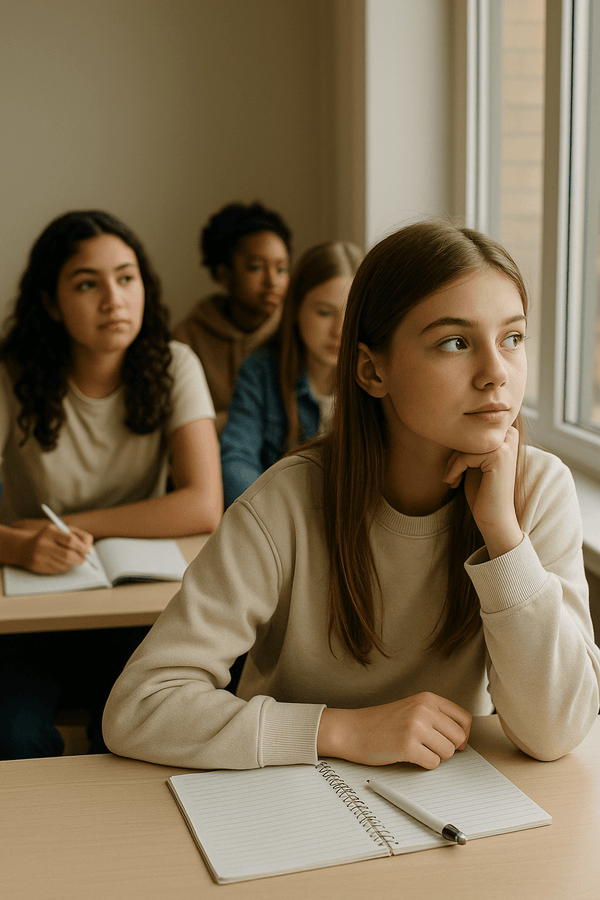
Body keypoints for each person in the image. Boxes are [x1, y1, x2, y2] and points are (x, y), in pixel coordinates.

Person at [103, 219, 600, 772]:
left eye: (513, 338)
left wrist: (503, 538)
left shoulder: (539, 490)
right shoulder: (286, 502)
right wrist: (339, 729)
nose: (496, 374)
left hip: (452, 805)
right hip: (292, 800)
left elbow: (555, 733)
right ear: (371, 370)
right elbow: (140, 706)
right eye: (455, 343)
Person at [0, 209, 223, 758]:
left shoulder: (174, 365)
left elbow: (202, 506)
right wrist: (19, 543)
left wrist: (74, 527)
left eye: (126, 278)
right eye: (86, 284)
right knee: (17, 738)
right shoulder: (10, 375)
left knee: (132, 733)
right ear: (51, 304)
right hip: (35, 610)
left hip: (135, 604)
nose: (113, 299)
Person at [220, 241, 363, 508]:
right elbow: (236, 459)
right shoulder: (260, 370)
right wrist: (270, 518)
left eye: (352, 315)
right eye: (324, 312)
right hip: (277, 521)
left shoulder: (376, 376)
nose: (339, 331)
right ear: (296, 308)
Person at [173, 201, 292, 434]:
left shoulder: (295, 332)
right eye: (256, 267)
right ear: (224, 275)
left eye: (281, 269)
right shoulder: (186, 340)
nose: (272, 282)